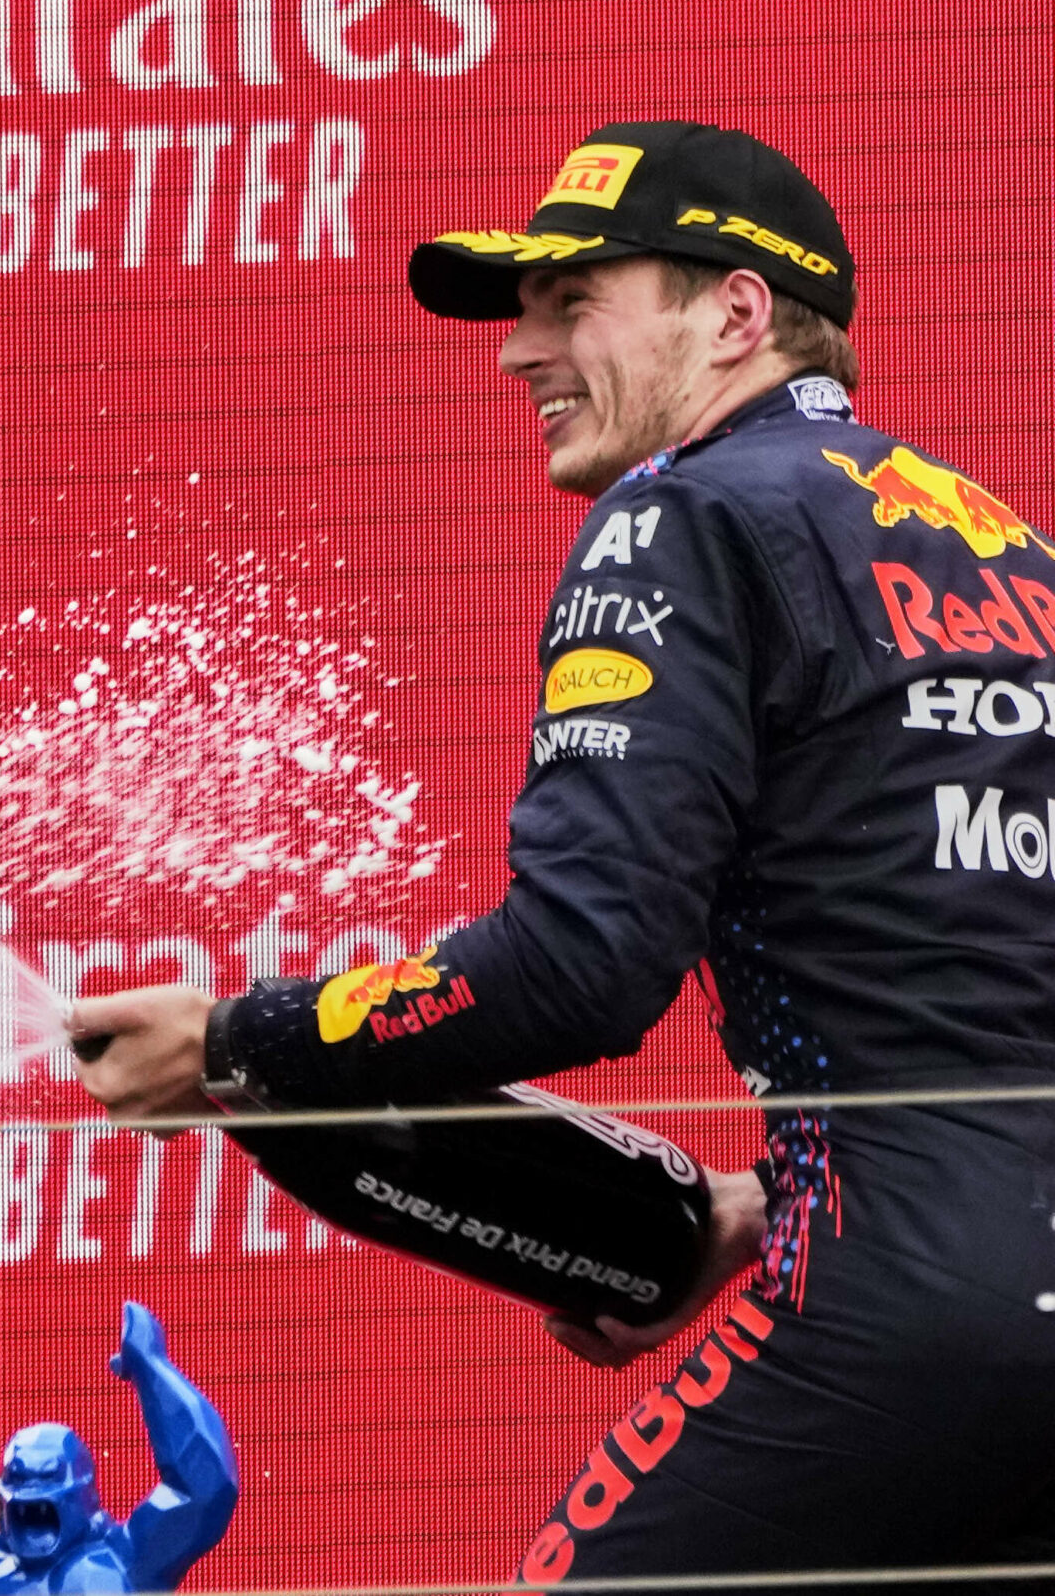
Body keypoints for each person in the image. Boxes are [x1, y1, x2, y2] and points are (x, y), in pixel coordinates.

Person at [72, 119, 1055, 1579]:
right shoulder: (1006, 549)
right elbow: (973, 1001)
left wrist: (240, 1036)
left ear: (732, 312)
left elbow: (582, 966)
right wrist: (757, 1202)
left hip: (911, 1316)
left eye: (573, 299)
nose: (517, 353)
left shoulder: (677, 518)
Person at [0, 1302, 238, 1594]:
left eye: (46, 1484)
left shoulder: (129, 1557)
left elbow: (205, 1489)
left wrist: (154, 1370)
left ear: (83, 1495)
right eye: (21, 1486)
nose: (31, 1499)